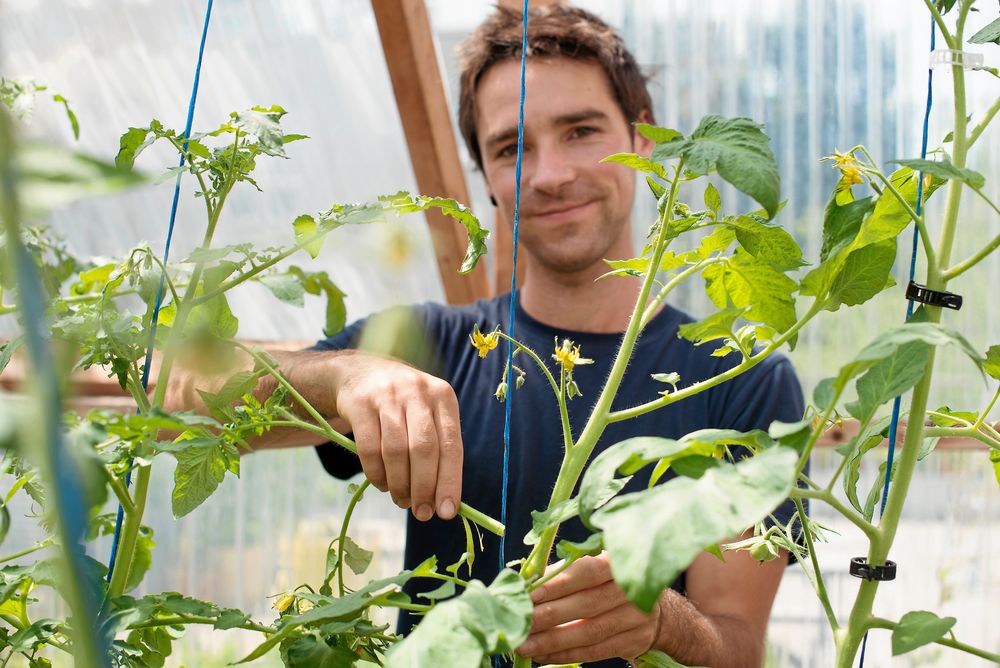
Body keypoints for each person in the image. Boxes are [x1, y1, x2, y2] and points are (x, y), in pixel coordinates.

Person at [167, 6, 803, 667]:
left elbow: (738, 647)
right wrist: (344, 377)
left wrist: (667, 623)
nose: (550, 174)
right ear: (489, 181)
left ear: (643, 141)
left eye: (581, 131)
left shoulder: (741, 378)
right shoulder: (433, 346)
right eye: (512, 147)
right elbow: (187, 394)